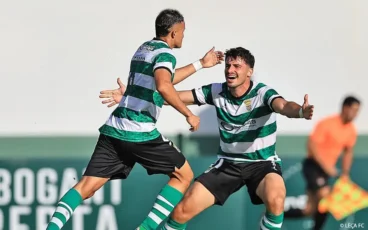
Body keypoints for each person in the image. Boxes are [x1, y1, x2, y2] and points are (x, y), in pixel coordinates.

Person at [46, 9, 224, 230]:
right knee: (183, 175)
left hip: (114, 129)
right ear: (174, 32)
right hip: (139, 132)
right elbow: (164, 85)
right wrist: (188, 114)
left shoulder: (144, 48)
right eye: (183, 32)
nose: (183, 36)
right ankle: (146, 228)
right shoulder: (165, 55)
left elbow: (164, 77)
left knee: (86, 187)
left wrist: (200, 64)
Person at [100, 47, 314, 230]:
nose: (230, 70)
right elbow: (173, 96)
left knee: (276, 200)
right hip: (228, 164)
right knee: (180, 213)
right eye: (228, 66)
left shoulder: (262, 94)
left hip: (262, 164)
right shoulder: (216, 91)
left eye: (236, 66)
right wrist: (132, 96)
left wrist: (301, 112)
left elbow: (285, 106)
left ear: (250, 71)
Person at [284, 96, 360, 230]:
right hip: (313, 166)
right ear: (345, 107)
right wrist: (327, 167)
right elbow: (311, 146)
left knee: (309, 209)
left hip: (325, 171)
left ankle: (273, 214)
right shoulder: (327, 123)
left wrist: (345, 174)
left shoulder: (351, 130)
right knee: (325, 198)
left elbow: (348, 152)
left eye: (357, 111)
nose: (355, 114)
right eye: (353, 110)